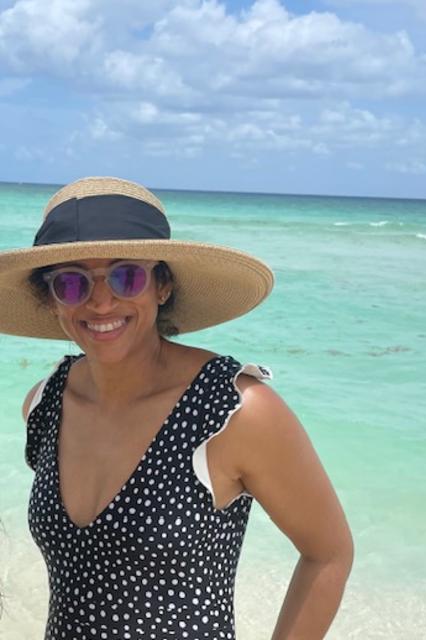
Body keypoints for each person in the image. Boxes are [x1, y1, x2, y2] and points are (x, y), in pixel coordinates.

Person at [0, 177, 354, 640]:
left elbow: (328, 553)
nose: (101, 300)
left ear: (162, 285)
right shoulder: (45, 404)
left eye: (127, 275)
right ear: (52, 300)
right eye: (72, 282)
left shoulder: (233, 411)